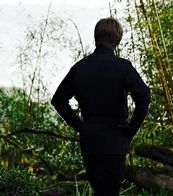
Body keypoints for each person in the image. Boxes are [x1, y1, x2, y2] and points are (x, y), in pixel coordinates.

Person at [51, 17, 150, 196]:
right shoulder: (123, 67)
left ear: (96, 37)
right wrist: (130, 130)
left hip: (90, 141)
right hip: (116, 139)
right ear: (117, 40)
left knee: (100, 191)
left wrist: (81, 126)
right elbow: (144, 97)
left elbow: (58, 100)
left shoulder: (80, 68)